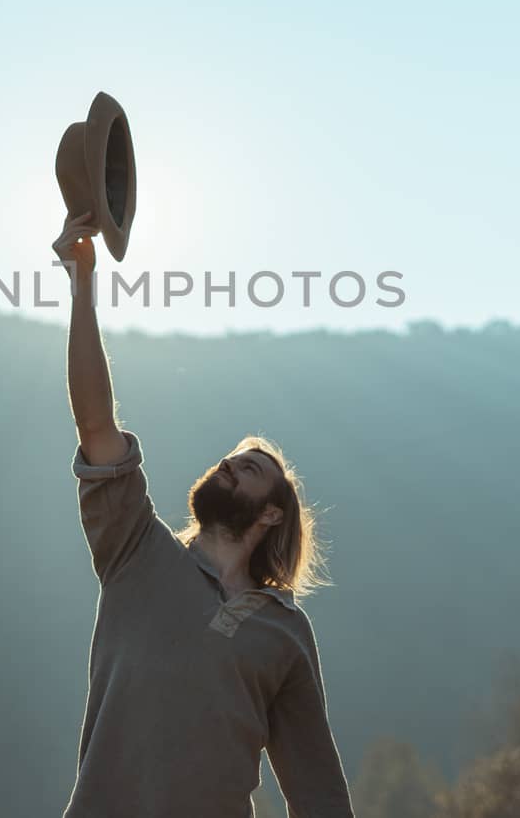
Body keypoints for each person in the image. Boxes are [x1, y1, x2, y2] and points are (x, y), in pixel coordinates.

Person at [52, 210, 356, 818]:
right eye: (230, 457)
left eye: (252, 467)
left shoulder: (285, 632)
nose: (231, 463)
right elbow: (95, 423)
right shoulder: (135, 549)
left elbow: (317, 790)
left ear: (272, 516)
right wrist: (81, 284)